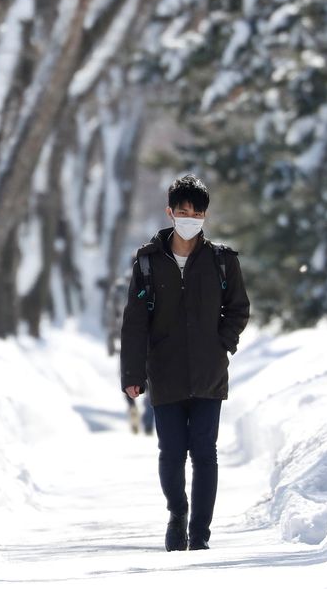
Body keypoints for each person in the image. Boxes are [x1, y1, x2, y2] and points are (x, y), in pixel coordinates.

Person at [119, 175, 250, 551]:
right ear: (170, 213)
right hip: (166, 373)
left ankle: (200, 534)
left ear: (205, 216)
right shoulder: (147, 262)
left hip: (209, 375)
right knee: (172, 452)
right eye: (182, 211)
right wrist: (133, 373)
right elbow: (135, 321)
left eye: (196, 212)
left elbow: (238, 309)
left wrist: (221, 344)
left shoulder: (222, 261)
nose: (188, 217)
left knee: (205, 454)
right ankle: (177, 514)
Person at [104, 272, 154, 435]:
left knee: (128, 376)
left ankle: (132, 406)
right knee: (151, 377)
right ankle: (149, 414)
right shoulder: (152, 281)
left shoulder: (120, 287)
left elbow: (112, 315)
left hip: (125, 339)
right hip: (150, 339)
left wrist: (111, 339)